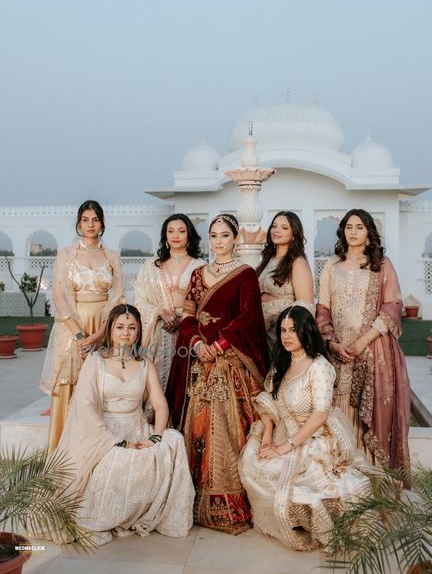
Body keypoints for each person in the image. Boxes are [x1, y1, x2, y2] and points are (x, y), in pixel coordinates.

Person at [53, 304, 195, 545]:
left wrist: (155, 438)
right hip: (102, 432)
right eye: (120, 327)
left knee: (174, 440)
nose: (125, 333)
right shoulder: (95, 361)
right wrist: (117, 442)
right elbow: (86, 408)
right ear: (110, 329)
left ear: (139, 331)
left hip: (137, 428)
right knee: (117, 457)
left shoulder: (144, 363)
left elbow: (160, 405)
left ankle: (149, 512)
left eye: (132, 327)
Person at [165, 213, 269, 534]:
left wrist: (220, 344)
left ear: (235, 239)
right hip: (201, 362)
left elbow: (248, 319)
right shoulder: (199, 274)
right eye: (214, 235)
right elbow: (188, 316)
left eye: (225, 235)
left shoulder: (245, 274)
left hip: (230, 362)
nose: (219, 241)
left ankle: (230, 502)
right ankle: (195, 500)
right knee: (198, 427)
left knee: (229, 429)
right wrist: (197, 344)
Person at [238, 305, 372, 551]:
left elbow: (320, 415)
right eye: (283, 330)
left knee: (301, 486)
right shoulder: (282, 363)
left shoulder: (319, 366)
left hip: (312, 438)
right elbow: (269, 404)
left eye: (293, 330)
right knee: (253, 460)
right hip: (281, 431)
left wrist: (285, 447)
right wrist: (267, 439)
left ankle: (312, 521)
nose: (287, 336)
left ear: (306, 331)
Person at [316, 208, 410, 475]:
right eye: (349, 227)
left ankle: (373, 483)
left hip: (373, 351)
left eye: (359, 227)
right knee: (339, 410)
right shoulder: (332, 265)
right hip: (338, 353)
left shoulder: (382, 265)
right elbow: (323, 309)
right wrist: (332, 343)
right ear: (342, 231)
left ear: (369, 232)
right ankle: (343, 481)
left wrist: (363, 342)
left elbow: (393, 307)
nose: (353, 232)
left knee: (371, 416)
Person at [40, 200, 126, 452]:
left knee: (100, 386)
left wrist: (99, 335)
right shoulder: (66, 254)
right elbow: (59, 298)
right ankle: (61, 453)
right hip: (71, 328)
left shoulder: (111, 256)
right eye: (85, 220)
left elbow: (119, 298)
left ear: (102, 223)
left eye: (95, 219)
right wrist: (80, 336)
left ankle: (96, 452)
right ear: (78, 223)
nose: (90, 225)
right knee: (69, 385)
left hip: (105, 326)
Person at [134, 214, 205, 392]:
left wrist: (184, 319)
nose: (175, 235)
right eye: (171, 231)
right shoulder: (151, 265)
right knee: (155, 382)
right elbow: (139, 299)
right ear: (165, 235)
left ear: (189, 234)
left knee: (184, 384)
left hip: (188, 330)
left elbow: (206, 303)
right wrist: (160, 312)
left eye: (181, 231)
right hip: (159, 330)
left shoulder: (201, 266)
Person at [256, 211, 314, 356]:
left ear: (294, 234)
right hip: (260, 329)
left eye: (284, 227)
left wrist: (278, 317)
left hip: (281, 332)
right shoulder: (266, 260)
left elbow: (305, 306)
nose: (277, 230)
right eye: (274, 226)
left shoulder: (297, 262)